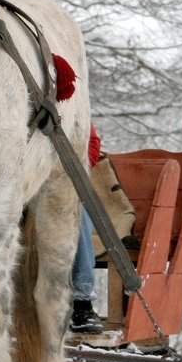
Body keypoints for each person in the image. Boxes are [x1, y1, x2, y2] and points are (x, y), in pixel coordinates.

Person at [70, 124, 104, 334]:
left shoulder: (70, 102)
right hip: (16, 181)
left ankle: (82, 302)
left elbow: (92, 143)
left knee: (77, 210)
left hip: (60, 179)